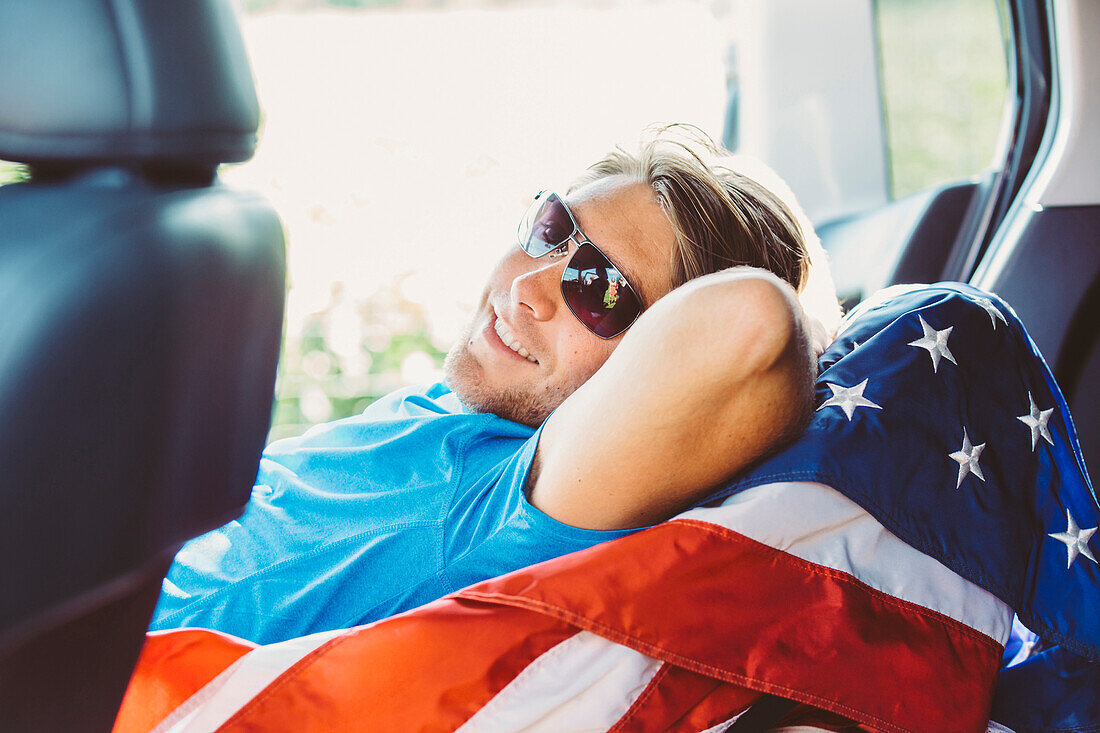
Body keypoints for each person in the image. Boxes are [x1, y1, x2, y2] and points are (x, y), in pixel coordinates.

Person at [149, 126, 838, 645]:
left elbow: (752, 324)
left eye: (598, 288)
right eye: (550, 229)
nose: (527, 287)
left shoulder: (529, 493)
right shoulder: (465, 403)